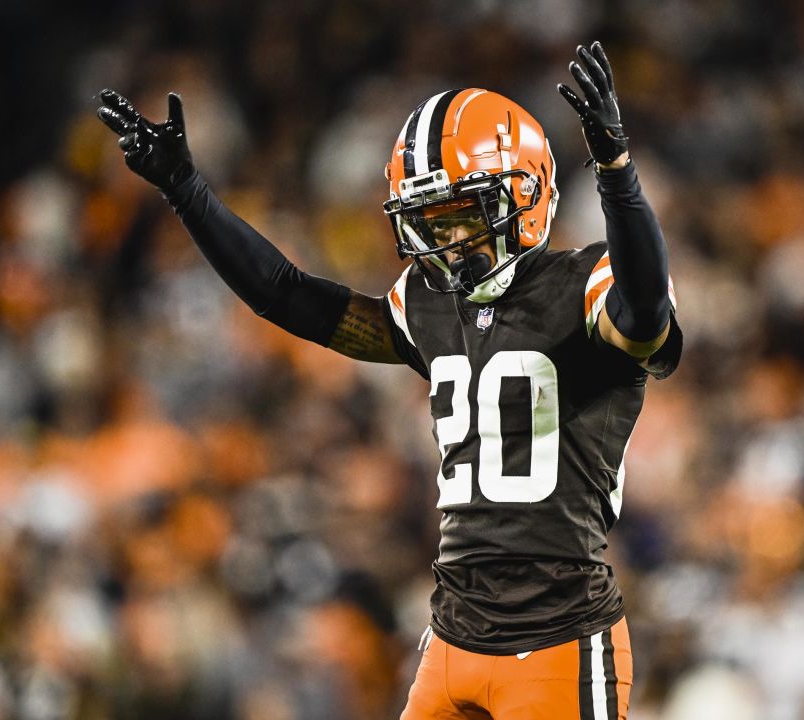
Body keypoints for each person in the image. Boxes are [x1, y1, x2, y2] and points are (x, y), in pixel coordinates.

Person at [97, 40, 680, 720]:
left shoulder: (587, 285)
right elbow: (288, 296)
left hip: (556, 638)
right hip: (454, 634)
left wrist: (614, 167)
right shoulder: (428, 305)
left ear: (525, 195)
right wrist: (187, 192)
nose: (450, 241)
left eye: (463, 215)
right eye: (432, 222)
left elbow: (643, 311)